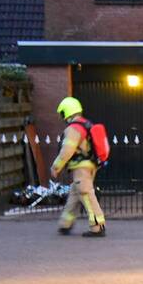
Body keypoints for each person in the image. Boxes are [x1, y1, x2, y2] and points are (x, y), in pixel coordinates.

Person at [51, 97, 106, 237]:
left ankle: (97, 227)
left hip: (81, 168)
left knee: (86, 195)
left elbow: (66, 151)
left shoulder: (73, 129)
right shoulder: (86, 124)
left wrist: (56, 167)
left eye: (62, 113)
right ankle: (65, 224)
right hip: (89, 166)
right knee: (74, 196)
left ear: (66, 112)